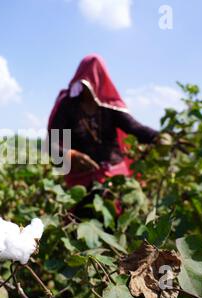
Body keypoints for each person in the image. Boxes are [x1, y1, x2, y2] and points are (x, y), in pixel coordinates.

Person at [48, 54, 170, 215]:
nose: (89, 84)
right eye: (86, 80)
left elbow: (134, 128)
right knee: (82, 223)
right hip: (82, 181)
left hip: (114, 178)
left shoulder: (109, 108)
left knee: (117, 224)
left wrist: (159, 137)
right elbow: (52, 144)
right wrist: (71, 155)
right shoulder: (67, 105)